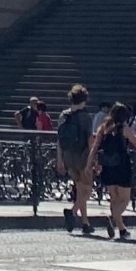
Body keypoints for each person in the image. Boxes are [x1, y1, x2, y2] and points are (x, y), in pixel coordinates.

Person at [86, 100, 136, 240]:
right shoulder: (124, 129)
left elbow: (95, 147)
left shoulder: (103, 128)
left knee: (114, 198)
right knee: (124, 199)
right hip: (122, 165)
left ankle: (121, 229)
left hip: (107, 166)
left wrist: (89, 165)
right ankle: (114, 219)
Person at [57, 84, 96, 234]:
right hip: (83, 156)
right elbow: (90, 140)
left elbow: (59, 139)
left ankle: (85, 223)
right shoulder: (86, 117)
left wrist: (59, 159)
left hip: (69, 155)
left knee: (80, 189)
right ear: (84, 99)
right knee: (87, 189)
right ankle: (72, 212)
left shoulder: (63, 115)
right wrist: (94, 159)